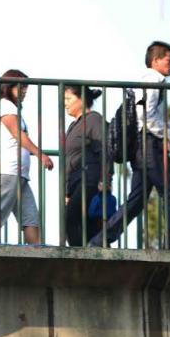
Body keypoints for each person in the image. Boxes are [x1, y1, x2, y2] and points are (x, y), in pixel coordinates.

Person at [89, 41, 170, 248]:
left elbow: (148, 115)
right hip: (149, 146)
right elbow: (146, 116)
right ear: (155, 60)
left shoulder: (146, 80)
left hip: (141, 147)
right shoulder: (153, 79)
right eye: (169, 60)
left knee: (136, 201)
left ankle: (100, 239)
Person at [0, 70, 53, 252]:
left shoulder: (11, 108)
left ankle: (36, 250)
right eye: (22, 87)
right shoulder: (5, 106)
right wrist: (40, 154)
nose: (25, 91)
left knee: (30, 216)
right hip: (8, 171)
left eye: (26, 87)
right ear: (9, 87)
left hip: (19, 174)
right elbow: (19, 136)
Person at [63, 85, 105, 245]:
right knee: (88, 226)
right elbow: (69, 159)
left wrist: (105, 178)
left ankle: (81, 259)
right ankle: (92, 261)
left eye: (68, 99)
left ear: (82, 99)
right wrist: (67, 191)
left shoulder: (94, 119)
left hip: (90, 180)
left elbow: (103, 150)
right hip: (75, 183)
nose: (65, 103)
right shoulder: (73, 126)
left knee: (70, 219)